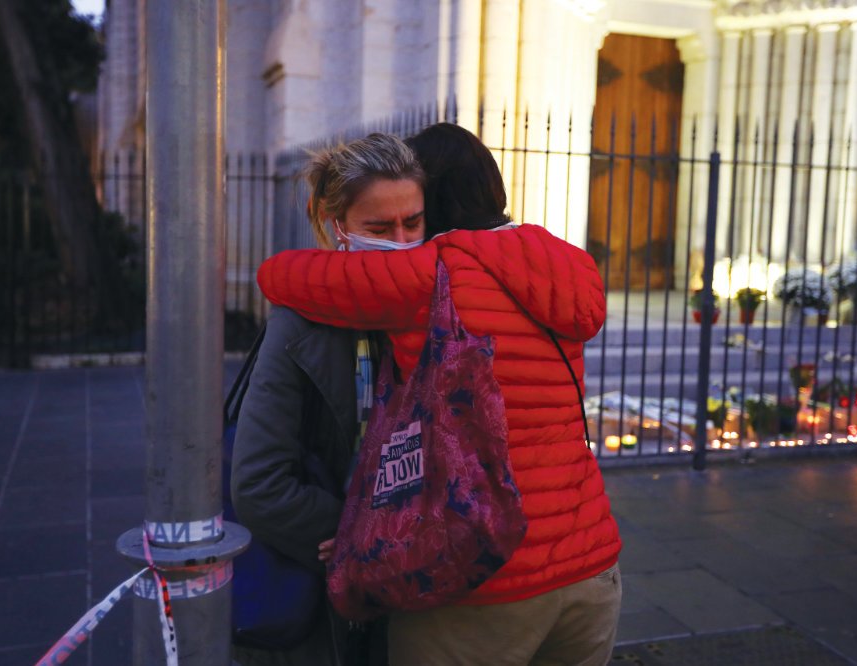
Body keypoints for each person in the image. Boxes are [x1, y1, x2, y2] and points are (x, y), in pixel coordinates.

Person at [257, 123, 623, 666]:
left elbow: (279, 275)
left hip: (483, 583)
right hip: (592, 567)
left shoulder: (429, 273)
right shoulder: (566, 262)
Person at [230, 132, 426, 666]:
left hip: (414, 594)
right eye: (380, 229)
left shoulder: (438, 307)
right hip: (323, 611)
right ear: (336, 225)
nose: (402, 240)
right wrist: (355, 533)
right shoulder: (298, 322)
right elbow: (259, 485)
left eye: (413, 222)